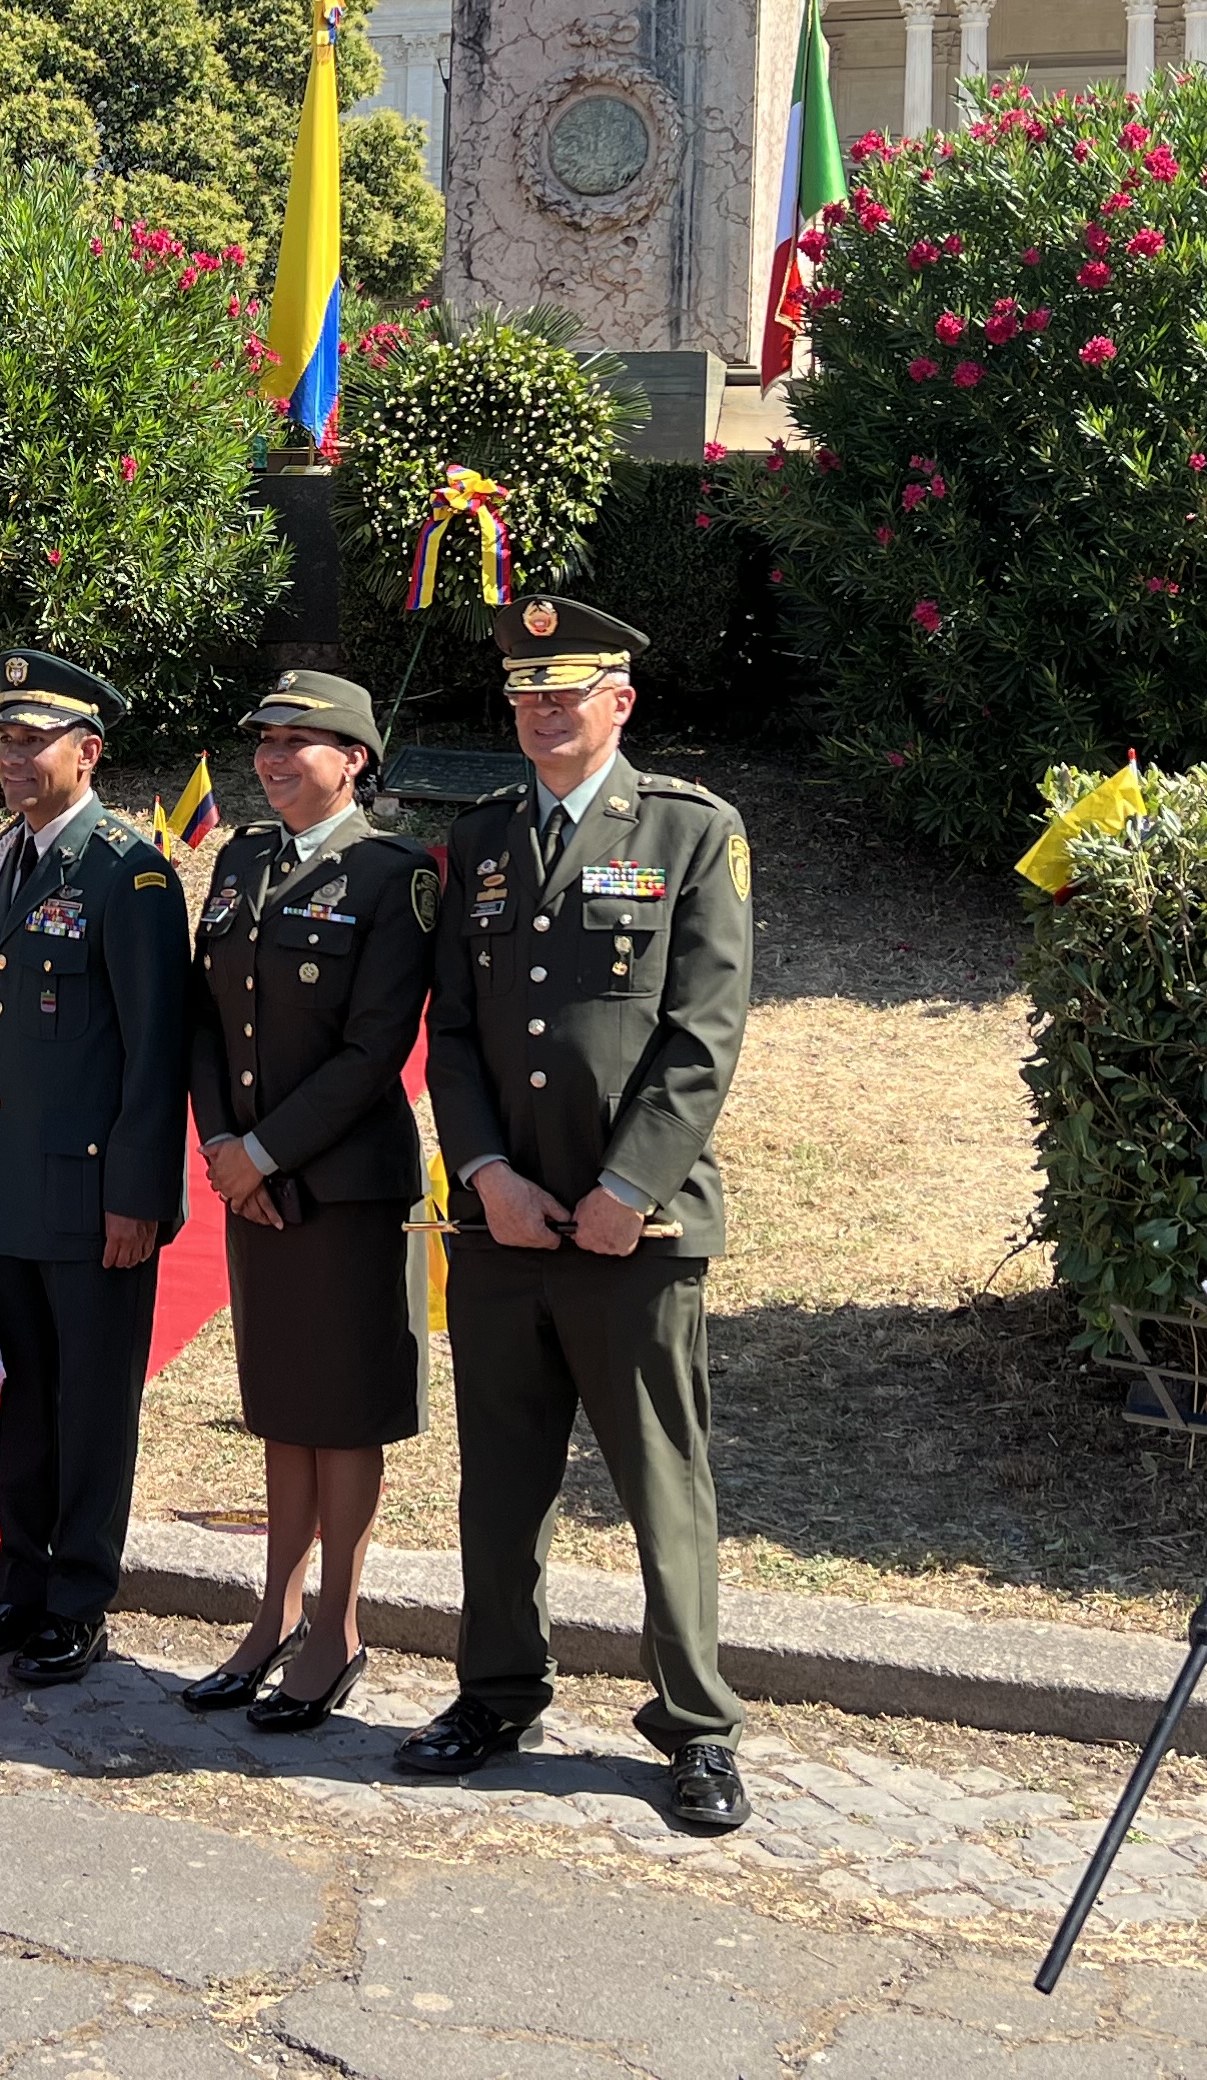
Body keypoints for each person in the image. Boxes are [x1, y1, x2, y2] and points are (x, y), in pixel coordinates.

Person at [403, 596, 755, 1836]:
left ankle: (697, 1729)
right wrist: (486, 1173)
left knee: (665, 1484)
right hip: (503, 1225)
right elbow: (449, 1030)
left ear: (622, 701)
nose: (544, 712)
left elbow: (704, 1031)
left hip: (633, 1233)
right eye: (526, 695)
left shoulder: (688, 829)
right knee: (499, 1482)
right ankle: (497, 1692)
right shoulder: (482, 837)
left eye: (568, 692)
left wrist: (625, 1189)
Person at [0, 648, 190, 1691]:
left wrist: (137, 1198)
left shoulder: (131, 870)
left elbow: (157, 1050)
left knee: (92, 1402)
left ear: (90, 750)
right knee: (27, 1394)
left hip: (90, 1195)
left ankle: (78, 1600)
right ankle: (16, 1584)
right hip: (10, 1183)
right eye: (2, 740)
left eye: (32, 741)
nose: (11, 759)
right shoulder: (6, 857)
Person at [179, 667, 434, 1733]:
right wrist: (227, 1145)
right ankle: (272, 1609)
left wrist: (269, 1153)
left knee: (344, 1413)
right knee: (282, 1406)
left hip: (344, 1186)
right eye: (265, 741)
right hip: (255, 1182)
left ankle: (337, 1626)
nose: (275, 759)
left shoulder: (392, 874)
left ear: (355, 759)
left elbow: (379, 1045)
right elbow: (205, 1015)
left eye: (301, 741)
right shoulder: (241, 858)